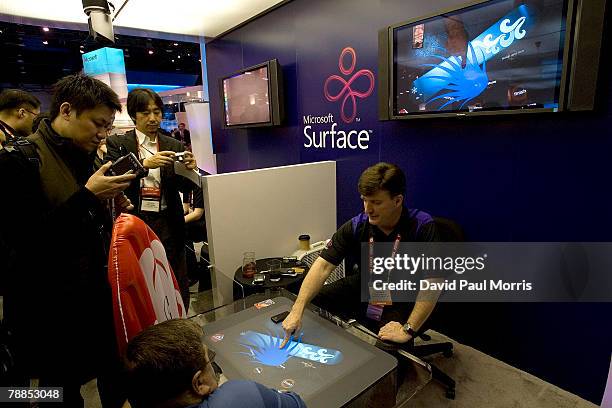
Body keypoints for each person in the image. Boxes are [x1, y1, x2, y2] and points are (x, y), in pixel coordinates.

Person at [0, 73, 135, 406]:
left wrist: (111, 207)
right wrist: (89, 197)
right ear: (66, 111)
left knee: (116, 376)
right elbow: (25, 244)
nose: (103, 135)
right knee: (57, 390)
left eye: (108, 127)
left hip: (99, 298)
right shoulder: (19, 161)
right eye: (98, 124)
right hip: (50, 311)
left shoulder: (88, 156)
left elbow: (86, 224)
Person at [282, 162, 442, 347]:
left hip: (407, 294)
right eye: (364, 200)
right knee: (312, 302)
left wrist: (408, 329)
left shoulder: (422, 226)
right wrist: (297, 309)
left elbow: (433, 283)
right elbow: (323, 266)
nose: (367, 209)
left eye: (376, 202)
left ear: (397, 200)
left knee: (388, 346)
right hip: (370, 283)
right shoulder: (358, 224)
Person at [105, 88, 197, 307]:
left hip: (168, 219)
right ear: (133, 114)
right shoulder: (119, 143)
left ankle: (180, 320)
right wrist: (144, 164)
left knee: (175, 274)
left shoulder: (172, 144)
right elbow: (111, 175)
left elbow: (184, 186)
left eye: (157, 112)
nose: (153, 118)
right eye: (146, 113)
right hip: (135, 219)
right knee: (143, 274)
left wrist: (191, 170)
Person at [124, 319, 306, 408]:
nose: (213, 364)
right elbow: (297, 403)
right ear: (199, 383)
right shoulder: (238, 396)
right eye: (208, 358)